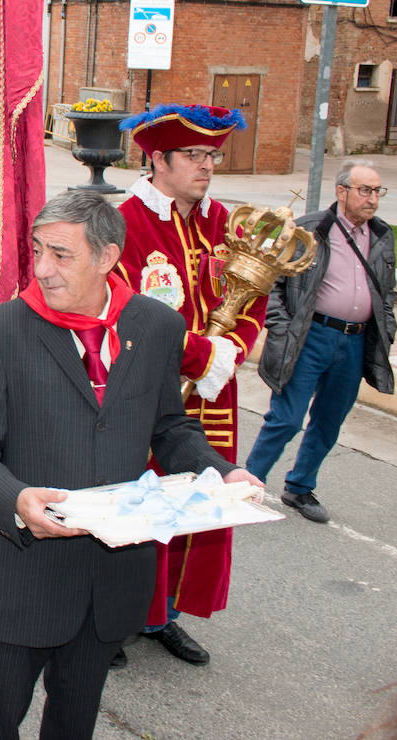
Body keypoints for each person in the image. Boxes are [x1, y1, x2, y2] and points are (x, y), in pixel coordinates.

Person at [0, 189, 262, 740]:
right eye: (38, 250)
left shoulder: (156, 326)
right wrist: (16, 499)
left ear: (108, 256)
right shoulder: (0, 331)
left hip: (113, 581)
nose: (42, 269)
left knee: (73, 725)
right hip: (24, 578)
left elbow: (170, 426)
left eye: (61, 255)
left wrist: (220, 471)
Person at [113, 102, 265, 667]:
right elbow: (125, 312)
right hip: (144, 394)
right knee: (134, 508)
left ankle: (161, 614)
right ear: (156, 159)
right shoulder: (126, 223)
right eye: (195, 155)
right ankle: (112, 617)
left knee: (194, 507)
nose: (207, 166)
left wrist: (234, 348)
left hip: (212, 395)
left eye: (212, 155)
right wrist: (204, 355)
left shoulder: (224, 221)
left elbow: (255, 296)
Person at [246, 159, 396, 523]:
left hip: (354, 341)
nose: (372, 198)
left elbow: (386, 289)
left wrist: (386, 325)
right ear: (341, 191)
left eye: (377, 191)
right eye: (365, 190)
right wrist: (281, 327)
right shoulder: (310, 229)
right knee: (287, 418)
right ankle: (248, 483)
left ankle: (299, 487)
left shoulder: (382, 235)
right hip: (310, 337)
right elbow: (274, 284)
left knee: (329, 421)